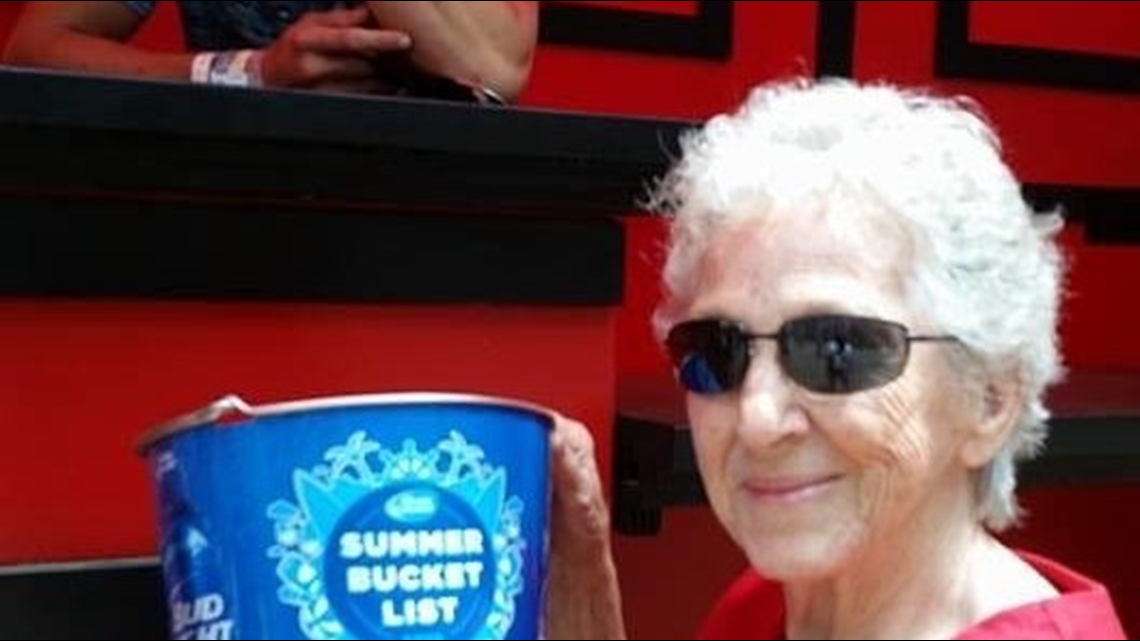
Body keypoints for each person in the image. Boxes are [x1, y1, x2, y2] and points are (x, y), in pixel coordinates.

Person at [545, 77, 1128, 639]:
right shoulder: (764, 609)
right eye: (719, 350)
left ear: (989, 400)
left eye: (835, 349)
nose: (758, 419)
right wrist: (583, 599)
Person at [1, 1, 538, 102]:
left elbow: (492, 71)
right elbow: (33, 50)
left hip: (425, 211)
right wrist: (248, 73)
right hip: (238, 201)